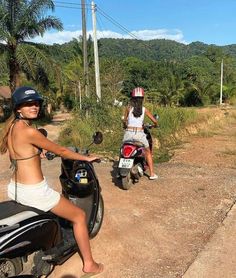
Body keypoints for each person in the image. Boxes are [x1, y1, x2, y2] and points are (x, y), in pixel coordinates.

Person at [0, 86, 104, 277]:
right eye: (28, 104)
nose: (34, 107)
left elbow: (22, 155)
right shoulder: (29, 131)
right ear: (18, 108)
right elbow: (62, 151)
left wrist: (38, 153)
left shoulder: (13, 128)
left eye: (36, 103)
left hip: (16, 188)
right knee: (79, 216)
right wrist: (85, 158)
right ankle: (89, 264)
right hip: (35, 191)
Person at [122, 87, 158, 180]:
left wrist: (125, 126)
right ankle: (152, 174)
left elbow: (124, 121)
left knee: (122, 150)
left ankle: (120, 170)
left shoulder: (128, 108)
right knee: (148, 152)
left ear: (132, 98)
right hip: (139, 134)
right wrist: (155, 125)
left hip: (128, 134)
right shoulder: (144, 109)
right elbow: (155, 121)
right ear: (142, 99)